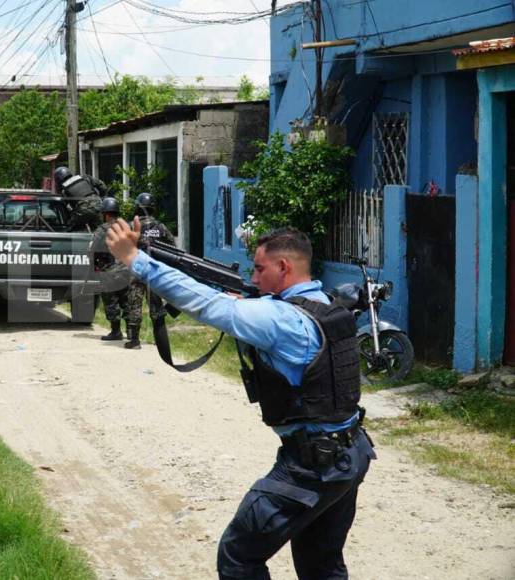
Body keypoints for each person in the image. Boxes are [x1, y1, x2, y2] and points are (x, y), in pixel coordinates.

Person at [106, 222, 374, 580]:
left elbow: (204, 302)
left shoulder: (279, 319)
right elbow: (260, 305)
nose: (253, 276)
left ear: (284, 268)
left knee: (239, 556)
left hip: (313, 465)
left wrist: (134, 259)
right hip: (351, 453)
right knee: (321, 566)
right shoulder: (321, 304)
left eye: (260, 269)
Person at [123, 192, 175, 349]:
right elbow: (172, 247)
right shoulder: (160, 227)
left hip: (137, 270)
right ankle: (160, 341)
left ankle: (134, 341)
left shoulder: (132, 226)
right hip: (154, 270)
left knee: (135, 303)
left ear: (138, 208)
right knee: (156, 307)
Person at [90, 197, 132, 341]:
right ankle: (131, 332)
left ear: (106, 214)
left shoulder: (102, 229)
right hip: (126, 269)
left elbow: (92, 249)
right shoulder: (127, 227)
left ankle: (116, 331)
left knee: (111, 301)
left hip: (108, 271)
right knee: (126, 301)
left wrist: (94, 266)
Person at [54, 166, 107, 232]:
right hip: (98, 206)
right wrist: (101, 199)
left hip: (83, 210)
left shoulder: (64, 189)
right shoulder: (84, 177)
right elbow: (102, 186)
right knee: (100, 231)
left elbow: (69, 208)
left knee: (69, 228)